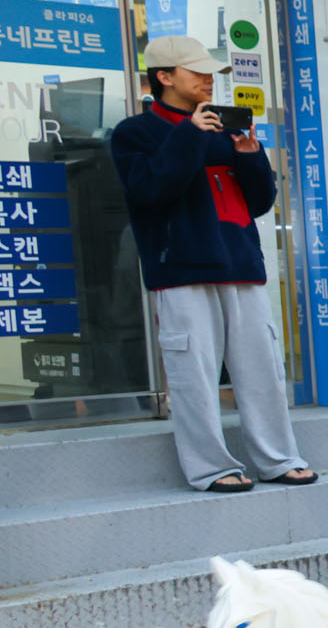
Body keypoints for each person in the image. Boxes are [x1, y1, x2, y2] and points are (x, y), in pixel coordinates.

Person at [109, 36, 316, 494]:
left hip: (241, 265)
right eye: (196, 71)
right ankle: (210, 468)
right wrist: (189, 134)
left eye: (210, 72)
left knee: (263, 370)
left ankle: (278, 459)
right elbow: (151, 191)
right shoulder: (134, 133)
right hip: (181, 270)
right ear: (164, 77)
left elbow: (259, 203)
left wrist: (249, 155)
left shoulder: (223, 130)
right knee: (193, 375)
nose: (208, 80)